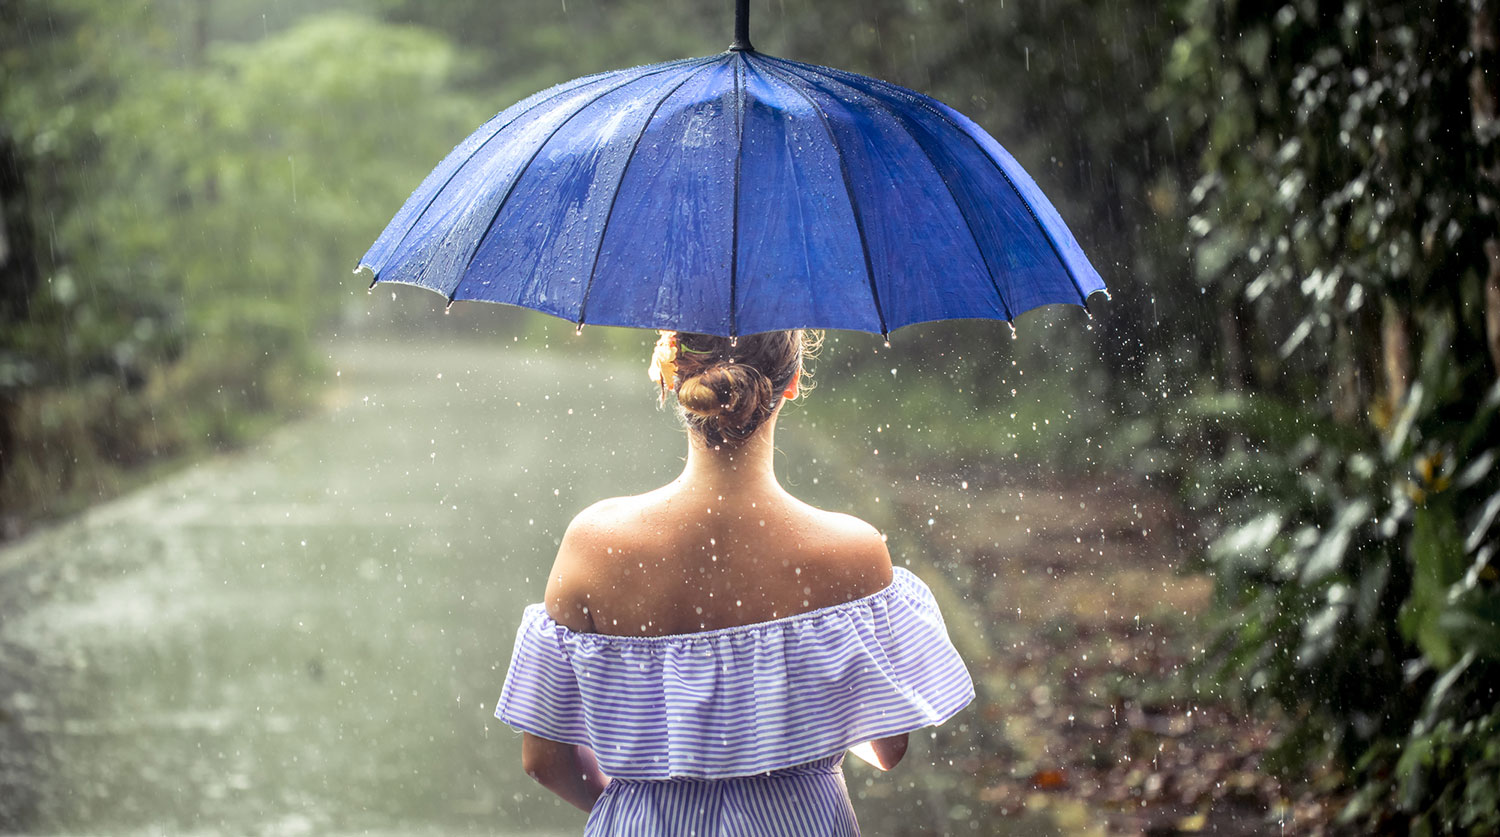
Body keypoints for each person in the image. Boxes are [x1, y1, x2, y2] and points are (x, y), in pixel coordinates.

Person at [494, 329, 973, 835]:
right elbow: (887, 748)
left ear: (672, 375)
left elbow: (543, 759)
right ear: (791, 382)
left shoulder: (594, 544)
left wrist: (634, 812)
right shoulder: (851, 552)